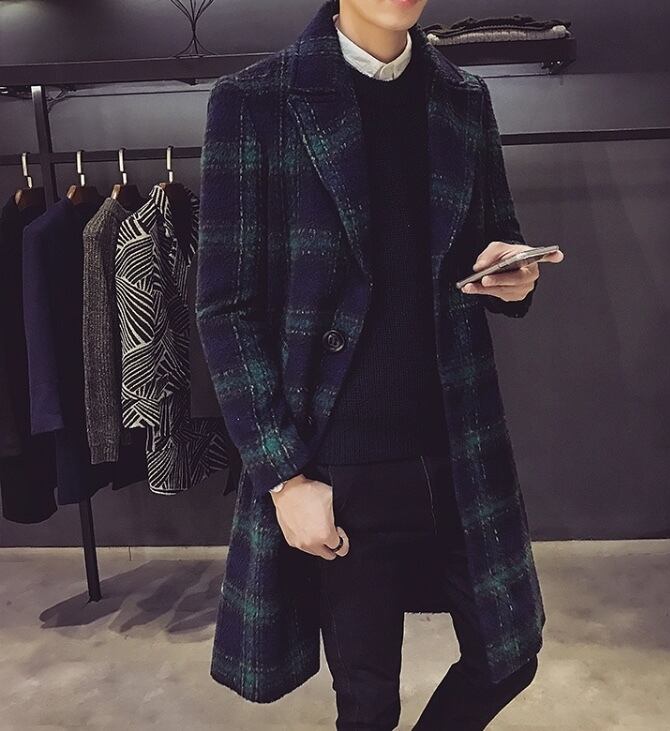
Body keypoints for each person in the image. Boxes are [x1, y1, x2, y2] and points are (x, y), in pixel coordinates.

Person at [196, 0, 564, 728]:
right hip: (343, 466)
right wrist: (283, 476)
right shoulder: (254, 101)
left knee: (509, 655)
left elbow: (496, 236)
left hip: (457, 449)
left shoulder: (462, 98)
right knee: (367, 702)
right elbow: (225, 310)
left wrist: (512, 276)